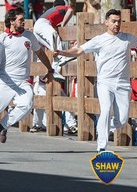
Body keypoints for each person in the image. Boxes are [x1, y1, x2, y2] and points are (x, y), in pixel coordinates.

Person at [0, 8, 54, 152]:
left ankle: (2, 125)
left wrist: (50, 69)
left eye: (23, 19)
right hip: (5, 82)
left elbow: (40, 52)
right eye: (20, 20)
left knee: (27, 104)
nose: (23, 22)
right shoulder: (2, 38)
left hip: (23, 81)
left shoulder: (29, 36)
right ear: (12, 21)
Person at [55, 9, 137, 152]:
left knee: (122, 120)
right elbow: (79, 51)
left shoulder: (128, 38)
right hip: (105, 82)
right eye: (113, 21)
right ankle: (101, 147)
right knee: (105, 111)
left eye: (118, 21)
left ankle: (106, 127)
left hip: (123, 84)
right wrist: (62, 52)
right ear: (106, 22)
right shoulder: (99, 40)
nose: (116, 24)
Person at [33, 0, 75, 77]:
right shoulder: (62, 7)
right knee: (54, 34)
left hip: (36, 28)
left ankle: (55, 69)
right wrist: (63, 24)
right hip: (43, 23)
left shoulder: (52, 12)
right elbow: (70, 10)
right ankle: (62, 56)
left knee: (53, 49)